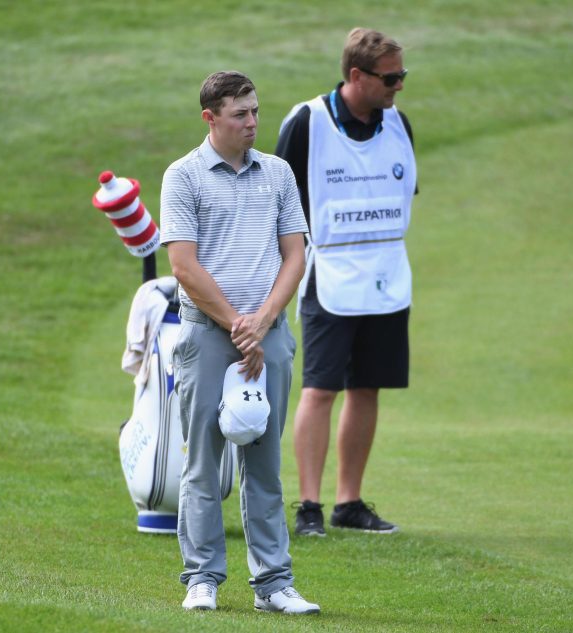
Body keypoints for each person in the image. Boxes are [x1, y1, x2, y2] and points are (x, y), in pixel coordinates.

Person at [161, 70, 319, 614]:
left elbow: (295, 254)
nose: (253, 122)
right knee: (204, 464)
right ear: (211, 118)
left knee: (264, 464)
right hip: (208, 337)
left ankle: (275, 585)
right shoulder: (183, 176)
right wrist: (237, 323)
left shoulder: (276, 173)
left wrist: (264, 320)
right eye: (240, 114)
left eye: (255, 111)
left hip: (268, 336)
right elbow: (183, 264)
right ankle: (202, 578)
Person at [275, 28, 417, 537]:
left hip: (385, 275)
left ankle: (348, 502)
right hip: (328, 273)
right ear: (356, 76)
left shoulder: (398, 124)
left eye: (402, 75)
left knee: (367, 386)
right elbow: (278, 202)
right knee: (320, 388)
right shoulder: (307, 122)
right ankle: (309, 505)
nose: (398, 86)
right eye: (390, 77)